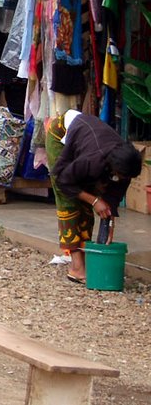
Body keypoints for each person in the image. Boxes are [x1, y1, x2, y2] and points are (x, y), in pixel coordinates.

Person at [45, 110, 142, 284]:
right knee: (70, 203)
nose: (123, 180)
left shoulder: (124, 160)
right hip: (61, 135)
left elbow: (113, 195)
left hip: (85, 138)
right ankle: (76, 267)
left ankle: (86, 259)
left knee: (87, 205)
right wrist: (95, 200)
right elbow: (63, 181)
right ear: (114, 169)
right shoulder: (93, 159)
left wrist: (109, 221)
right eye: (121, 176)